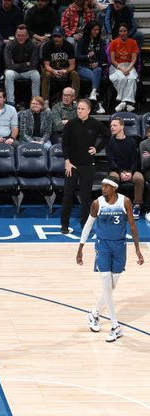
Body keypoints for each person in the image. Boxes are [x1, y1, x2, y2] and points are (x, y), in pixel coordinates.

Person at [76, 178, 144, 342]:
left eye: (106, 186)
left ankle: (94, 314)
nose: (103, 188)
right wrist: (80, 248)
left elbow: (133, 227)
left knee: (111, 286)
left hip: (120, 246)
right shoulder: (97, 203)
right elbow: (88, 225)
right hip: (103, 246)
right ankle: (115, 326)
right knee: (106, 283)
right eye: (103, 186)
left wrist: (137, 249)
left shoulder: (125, 201)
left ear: (114, 188)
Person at [61, 98, 110, 234]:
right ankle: (64, 224)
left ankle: (85, 224)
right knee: (68, 194)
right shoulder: (71, 124)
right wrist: (67, 161)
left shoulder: (95, 124)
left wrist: (97, 149)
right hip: (72, 164)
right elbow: (64, 144)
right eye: (78, 109)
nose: (80, 111)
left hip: (88, 164)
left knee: (86, 195)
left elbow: (107, 135)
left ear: (88, 111)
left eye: (82, 109)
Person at [106, 117, 144, 219]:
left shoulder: (131, 141)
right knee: (111, 180)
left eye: (115, 125)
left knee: (139, 178)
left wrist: (131, 172)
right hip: (116, 170)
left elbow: (135, 160)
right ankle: (114, 206)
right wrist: (120, 173)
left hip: (130, 170)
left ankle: (137, 205)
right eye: (111, 126)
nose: (112, 128)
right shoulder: (110, 143)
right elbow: (111, 161)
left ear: (122, 127)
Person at [4, 25, 40, 108]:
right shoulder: (9, 45)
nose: (20, 37)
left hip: (27, 71)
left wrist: (16, 65)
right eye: (18, 35)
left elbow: (33, 64)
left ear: (27, 36)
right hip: (14, 72)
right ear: (15, 35)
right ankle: (10, 103)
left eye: (23, 35)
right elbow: (8, 65)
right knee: (8, 74)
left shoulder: (32, 45)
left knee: (36, 75)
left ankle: (35, 102)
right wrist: (25, 64)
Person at [41, 26, 80, 102]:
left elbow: (72, 65)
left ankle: (74, 100)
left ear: (63, 37)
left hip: (65, 70)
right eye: (55, 36)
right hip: (52, 70)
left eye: (59, 36)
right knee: (46, 75)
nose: (56, 39)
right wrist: (53, 71)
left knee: (75, 74)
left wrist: (66, 71)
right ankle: (45, 101)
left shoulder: (69, 46)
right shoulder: (47, 46)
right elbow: (46, 65)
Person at [76, 21, 107, 113]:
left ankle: (93, 93)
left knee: (98, 70)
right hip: (83, 67)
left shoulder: (100, 41)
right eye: (95, 30)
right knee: (95, 76)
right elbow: (78, 56)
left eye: (98, 30)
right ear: (90, 30)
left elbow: (103, 57)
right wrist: (87, 56)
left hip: (95, 68)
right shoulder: (82, 41)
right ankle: (97, 102)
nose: (97, 31)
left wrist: (98, 63)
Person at [108, 23, 139, 113]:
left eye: (124, 31)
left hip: (129, 65)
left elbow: (134, 59)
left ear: (128, 32)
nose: (123, 33)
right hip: (117, 65)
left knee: (132, 78)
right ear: (118, 32)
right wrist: (121, 69)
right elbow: (112, 60)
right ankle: (128, 103)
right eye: (121, 31)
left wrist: (128, 69)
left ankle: (123, 102)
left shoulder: (133, 42)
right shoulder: (114, 42)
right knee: (122, 78)